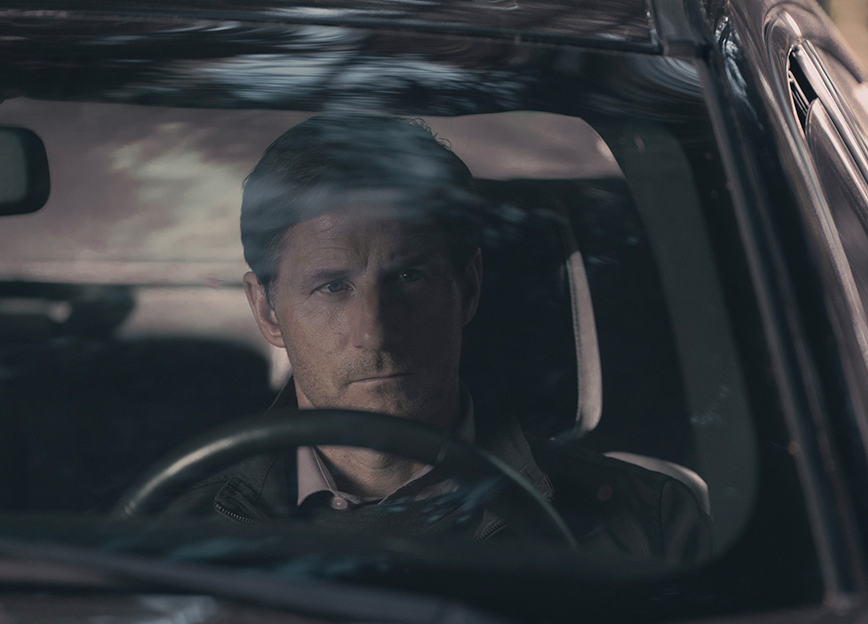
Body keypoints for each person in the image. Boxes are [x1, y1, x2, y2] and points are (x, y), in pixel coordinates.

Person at [167, 114, 709, 563]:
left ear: (467, 288)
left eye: (408, 276)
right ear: (267, 310)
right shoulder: (168, 539)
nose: (375, 332)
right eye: (332, 287)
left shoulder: (649, 526)